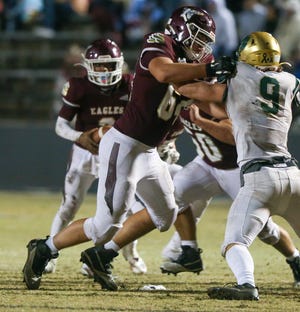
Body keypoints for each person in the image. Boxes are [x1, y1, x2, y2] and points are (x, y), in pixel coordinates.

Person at [22, 5, 236, 291]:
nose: (201, 47)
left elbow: (206, 99)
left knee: (166, 213)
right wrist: (208, 69)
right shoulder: (159, 43)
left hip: (149, 151)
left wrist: (241, 90)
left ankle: (101, 255)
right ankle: (45, 248)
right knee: (104, 225)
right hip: (123, 145)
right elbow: (163, 72)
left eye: (205, 41)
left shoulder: (198, 60)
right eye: (197, 37)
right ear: (181, 30)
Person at [176, 31, 300, 300]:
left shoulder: (238, 79)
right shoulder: (291, 81)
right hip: (293, 174)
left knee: (235, 242)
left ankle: (246, 284)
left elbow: (185, 89)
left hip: (260, 177)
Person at [160, 104, 300, 287]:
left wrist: (200, 120)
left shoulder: (215, 97)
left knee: (264, 229)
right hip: (206, 163)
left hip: (236, 168)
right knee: (172, 195)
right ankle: (189, 251)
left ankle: (295, 258)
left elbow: (232, 132)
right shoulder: (180, 97)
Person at [44, 38, 147, 275]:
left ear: (119, 64)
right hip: (85, 153)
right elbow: (60, 126)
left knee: (127, 208)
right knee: (69, 206)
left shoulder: (130, 85)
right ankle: (48, 254)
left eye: (109, 65)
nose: (104, 71)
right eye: (99, 66)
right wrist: (80, 137)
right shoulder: (79, 87)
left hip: (115, 154)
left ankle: (130, 254)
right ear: (88, 67)